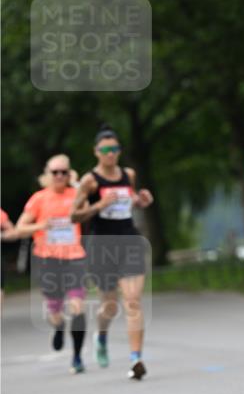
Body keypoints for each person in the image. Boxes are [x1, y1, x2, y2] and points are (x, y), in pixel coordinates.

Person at [71, 127, 153, 380]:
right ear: (96, 152)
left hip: (128, 239)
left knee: (133, 301)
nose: (111, 154)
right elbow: (74, 215)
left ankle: (136, 359)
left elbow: (129, 202)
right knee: (110, 306)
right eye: (106, 150)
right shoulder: (90, 181)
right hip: (101, 244)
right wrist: (97, 205)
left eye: (115, 149)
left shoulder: (128, 174)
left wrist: (140, 201)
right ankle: (102, 335)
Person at [14, 157, 87, 373]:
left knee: (78, 307)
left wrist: (77, 185)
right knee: (55, 311)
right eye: (55, 172)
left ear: (69, 173)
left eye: (64, 172)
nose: (60, 176)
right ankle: (58, 326)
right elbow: (20, 228)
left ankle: (77, 357)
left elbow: (89, 209)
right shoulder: (39, 199)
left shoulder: (76, 195)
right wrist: (41, 225)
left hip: (74, 257)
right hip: (47, 260)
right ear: (48, 174)